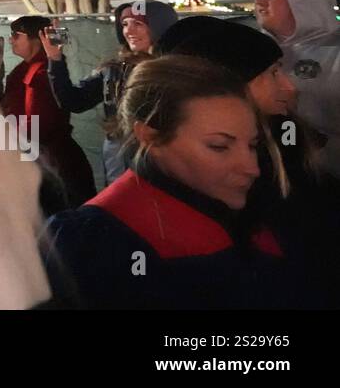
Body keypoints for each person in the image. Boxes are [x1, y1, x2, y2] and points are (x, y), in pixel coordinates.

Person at [43, 54, 320, 308]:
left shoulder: (264, 213)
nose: (251, 168)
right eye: (219, 146)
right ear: (150, 136)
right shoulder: (92, 244)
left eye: (252, 146)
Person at [156, 15, 340, 303]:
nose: (290, 87)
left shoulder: (284, 140)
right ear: (233, 83)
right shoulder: (237, 169)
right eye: (273, 73)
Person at [42, 0, 178, 186]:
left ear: (159, 26)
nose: (129, 31)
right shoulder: (114, 69)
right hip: (119, 159)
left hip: (162, 160)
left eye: (137, 23)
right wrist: (55, 58)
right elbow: (74, 101)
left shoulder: (178, 71)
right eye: (124, 24)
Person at [3, 15, 96, 208]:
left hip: (52, 164)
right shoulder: (24, 71)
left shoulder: (42, 72)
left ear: (37, 38)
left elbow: (39, 124)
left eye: (16, 35)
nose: (10, 39)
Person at [256, 0, 340, 178]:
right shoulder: (256, 53)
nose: (258, 1)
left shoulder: (336, 50)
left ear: (303, 3)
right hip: (281, 175)